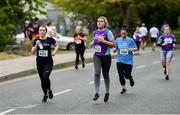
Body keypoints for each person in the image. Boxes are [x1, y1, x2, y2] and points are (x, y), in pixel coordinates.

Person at [89, 16, 115, 102]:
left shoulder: (108, 32)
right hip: (97, 55)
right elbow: (95, 41)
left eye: (101, 21)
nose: (99, 22)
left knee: (105, 74)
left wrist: (104, 41)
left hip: (106, 56)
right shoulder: (95, 32)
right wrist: (92, 43)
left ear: (105, 23)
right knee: (97, 73)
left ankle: (107, 92)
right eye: (98, 21)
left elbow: (113, 44)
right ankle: (96, 92)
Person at [31, 25, 59, 102]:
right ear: (38, 32)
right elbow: (33, 52)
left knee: (45, 77)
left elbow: (57, 45)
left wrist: (54, 52)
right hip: (40, 62)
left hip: (48, 62)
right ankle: (45, 95)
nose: (42, 32)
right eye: (40, 30)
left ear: (46, 31)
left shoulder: (50, 39)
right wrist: (37, 45)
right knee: (42, 79)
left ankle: (49, 90)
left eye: (43, 30)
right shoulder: (36, 40)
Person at [115, 27, 137, 94]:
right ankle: (124, 88)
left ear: (127, 33)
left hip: (128, 61)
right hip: (119, 60)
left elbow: (136, 48)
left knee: (127, 75)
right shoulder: (118, 40)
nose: (123, 35)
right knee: (120, 75)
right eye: (122, 33)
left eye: (124, 33)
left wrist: (132, 49)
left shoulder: (130, 40)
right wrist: (114, 50)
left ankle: (130, 78)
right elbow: (116, 48)